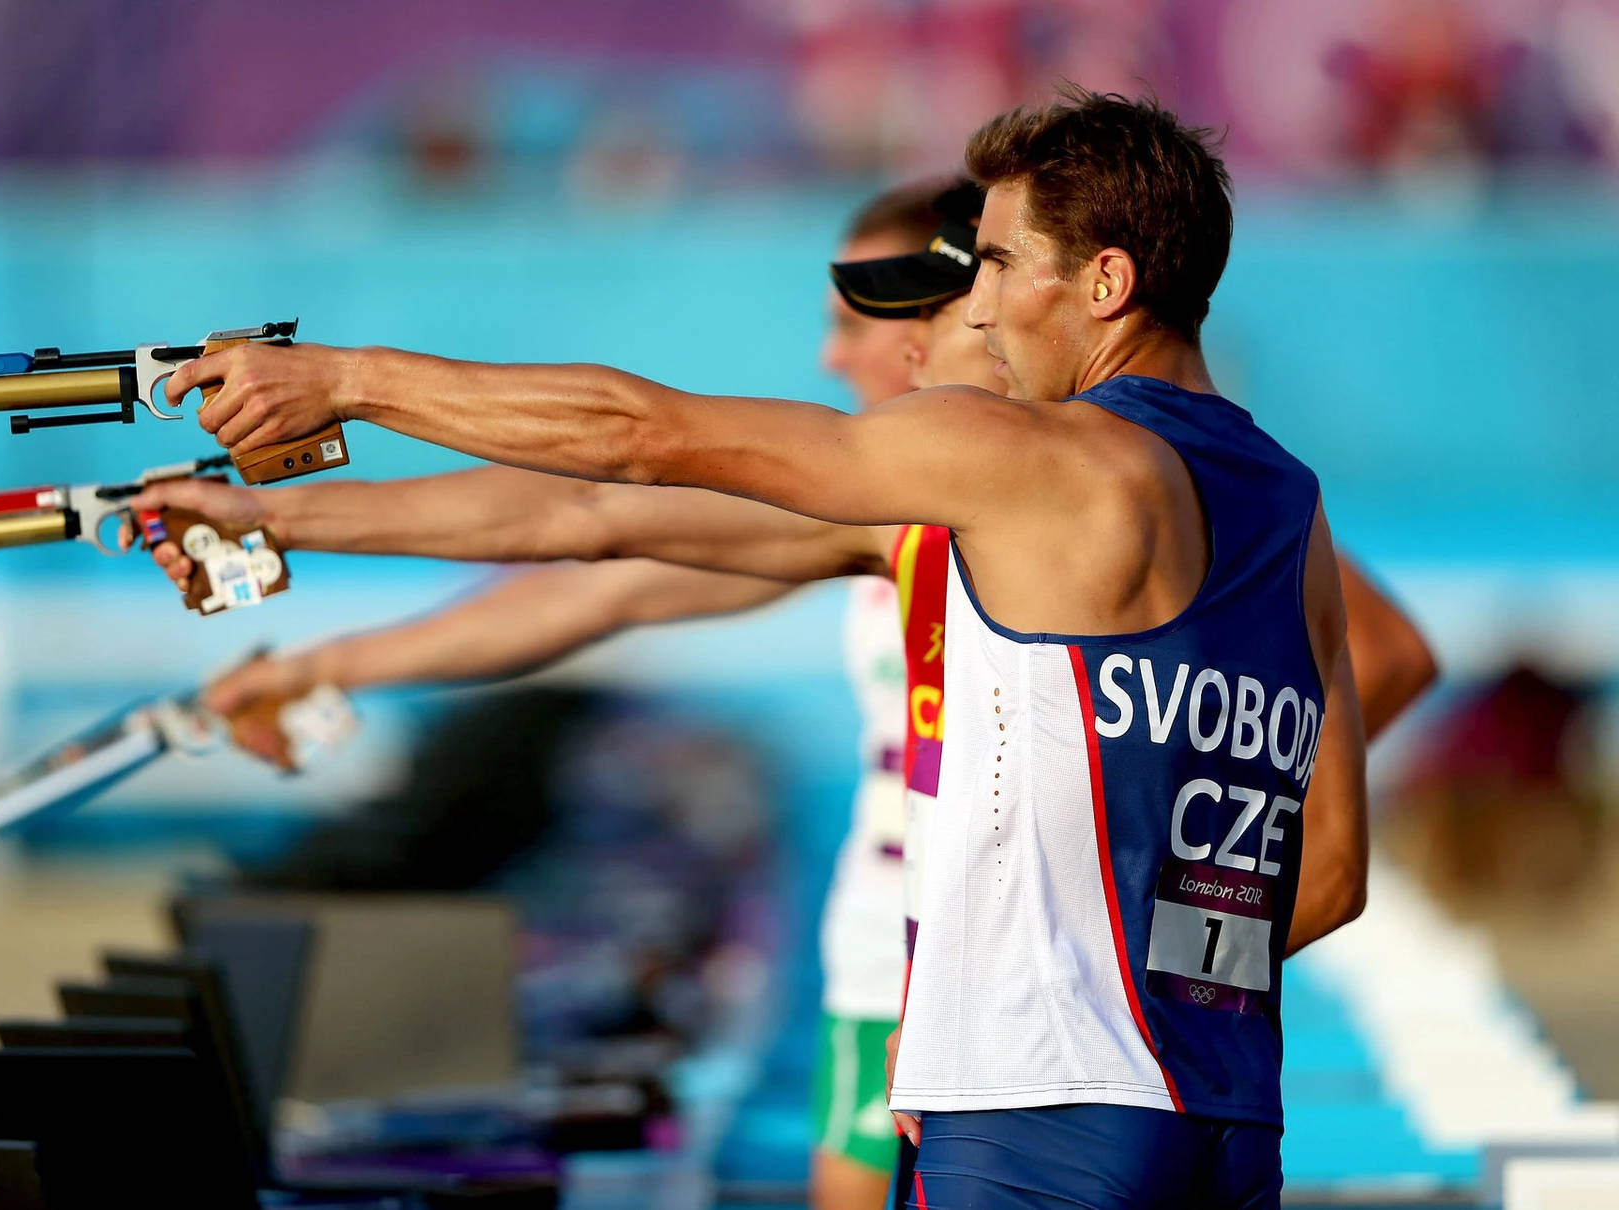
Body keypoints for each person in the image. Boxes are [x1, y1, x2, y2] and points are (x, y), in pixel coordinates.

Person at [142, 87, 1377, 1204]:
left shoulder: (1025, 461)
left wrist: (351, 378)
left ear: (1104, 283)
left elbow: (639, 442)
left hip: (1041, 1108)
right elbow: (1329, 874)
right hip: (1224, 1111)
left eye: (998, 264)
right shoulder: (1292, 504)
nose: (978, 302)